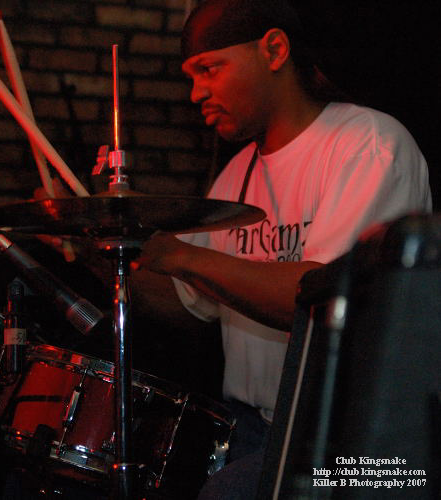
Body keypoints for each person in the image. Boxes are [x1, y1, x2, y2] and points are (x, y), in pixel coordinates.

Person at [133, 0, 432, 498]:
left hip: (359, 448)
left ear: (274, 49)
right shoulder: (237, 175)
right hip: (253, 428)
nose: (196, 92)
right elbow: (191, 302)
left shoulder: (368, 144)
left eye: (209, 69)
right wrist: (110, 248)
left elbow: (321, 300)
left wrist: (180, 255)